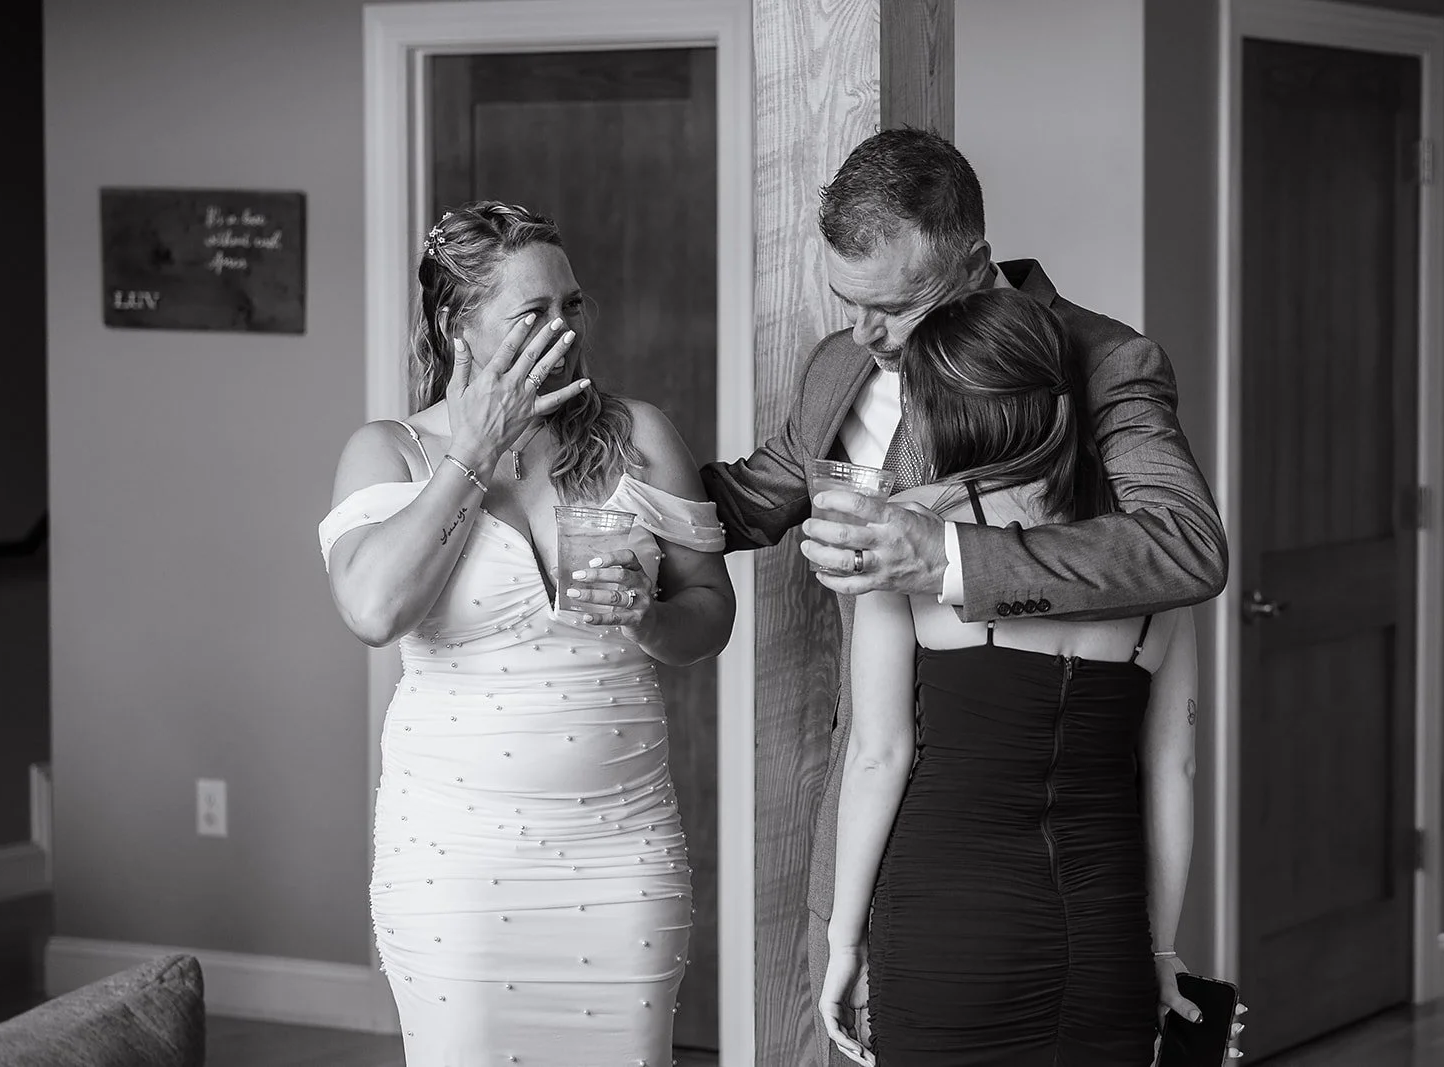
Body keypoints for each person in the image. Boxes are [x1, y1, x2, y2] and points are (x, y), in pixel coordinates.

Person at [700, 128, 1230, 1065]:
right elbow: (755, 494)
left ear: (977, 267)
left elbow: (1185, 544)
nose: (866, 334)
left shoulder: (1106, 360)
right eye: (846, 303)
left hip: (1063, 836)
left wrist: (945, 557)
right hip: (879, 841)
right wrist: (616, 511)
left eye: (895, 307)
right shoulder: (841, 364)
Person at [318, 201, 735, 1065]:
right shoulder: (389, 452)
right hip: (456, 869)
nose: (564, 329)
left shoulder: (640, 436)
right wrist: (475, 450)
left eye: (572, 306)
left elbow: (711, 610)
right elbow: (372, 610)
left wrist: (651, 617)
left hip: (625, 855)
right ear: (455, 324)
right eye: (533, 312)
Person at [819, 287, 1209, 1065]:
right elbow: (1175, 766)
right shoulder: (1149, 563)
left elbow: (877, 755)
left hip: (947, 926)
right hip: (1103, 930)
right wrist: (1160, 951)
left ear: (939, 410)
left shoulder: (907, 532)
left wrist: (842, 938)